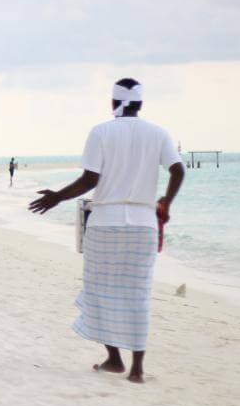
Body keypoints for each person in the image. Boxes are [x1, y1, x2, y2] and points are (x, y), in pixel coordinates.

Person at [29, 78, 185, 384]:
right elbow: (178, 170)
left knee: (102, 292)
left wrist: (56, 197)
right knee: (138, 294)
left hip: (105, 223)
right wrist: (166, 199)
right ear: (140, 104)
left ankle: (114, 359)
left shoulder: (101, 132)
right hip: (143, 225)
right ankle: (137, 369)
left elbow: (90, 180)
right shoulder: (158, 133)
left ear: (113, 103)